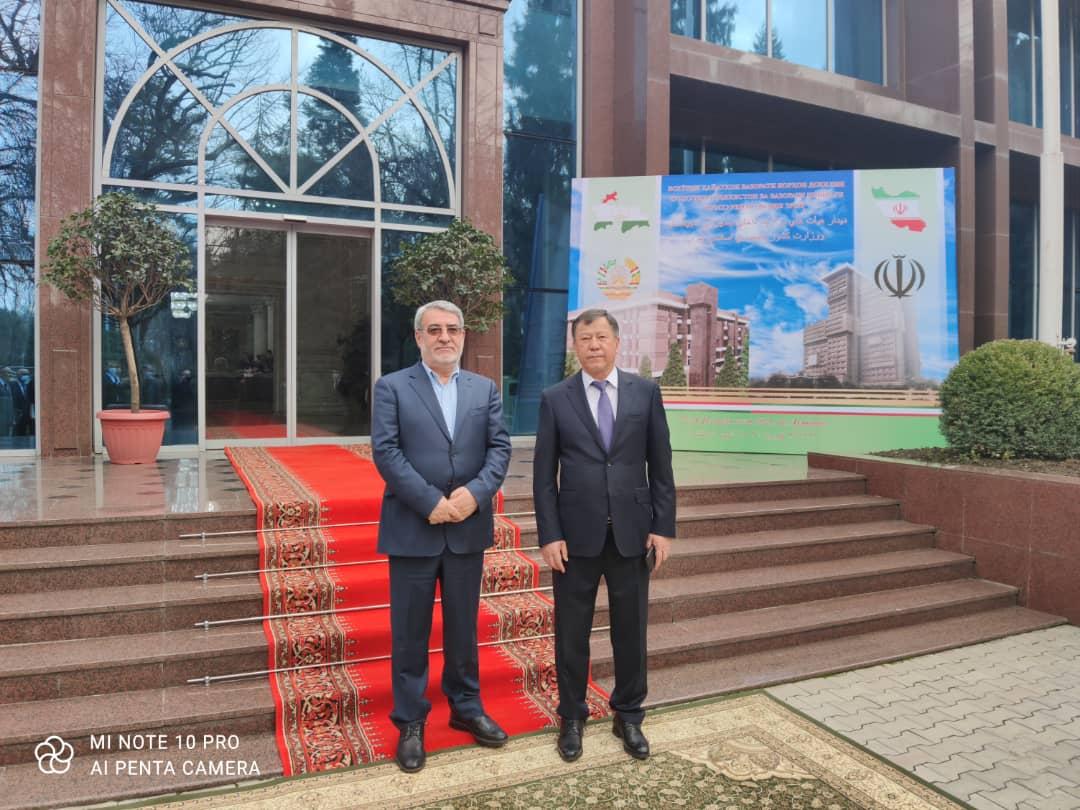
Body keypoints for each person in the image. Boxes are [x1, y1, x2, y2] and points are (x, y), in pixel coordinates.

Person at [371, 300, 512, 773]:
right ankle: (411, 721)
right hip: (414, 527)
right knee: (410, 632)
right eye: (434, 330)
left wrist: (476, 494)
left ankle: (466, 708)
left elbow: (499, 448)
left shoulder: (483, 388)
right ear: (419, 337)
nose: (445, 337)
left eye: (452, 329)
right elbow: (386, 451)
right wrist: (429, 501)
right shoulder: (393, 387)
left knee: (463, 629)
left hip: (468, 528)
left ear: (464, 335)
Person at [533, 308, 676, 763]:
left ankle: (629, 714)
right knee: (571, 632)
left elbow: (662, 465)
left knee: (631, 631)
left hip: (633, 534)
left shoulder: (645, 392)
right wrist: (549, 534)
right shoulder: (555, 398)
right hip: (574, 539)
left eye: (601, 337)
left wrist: (663, 527)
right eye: (585, 338)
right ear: (575, 346)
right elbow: (543, 476)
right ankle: (572, 717)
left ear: (616, 342)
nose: (593, 345)